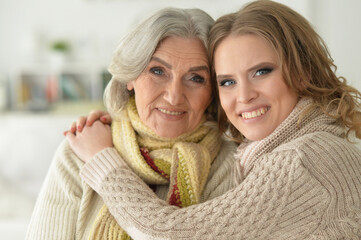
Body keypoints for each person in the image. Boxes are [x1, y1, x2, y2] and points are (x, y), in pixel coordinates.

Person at [67, 0, 361, 239]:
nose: (244, 96)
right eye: (228, 82)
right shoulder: (302, 143)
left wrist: (102, 160)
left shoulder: (302, 159)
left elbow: (167, 234)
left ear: (302, 72)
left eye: (261, 71)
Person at [26, 7, 238, 240]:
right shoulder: (78, 150)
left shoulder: (231, 164)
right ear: (130, 77)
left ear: (213, 91)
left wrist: (103, 160)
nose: (174, 96)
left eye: (196, 78)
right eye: (158, 71)